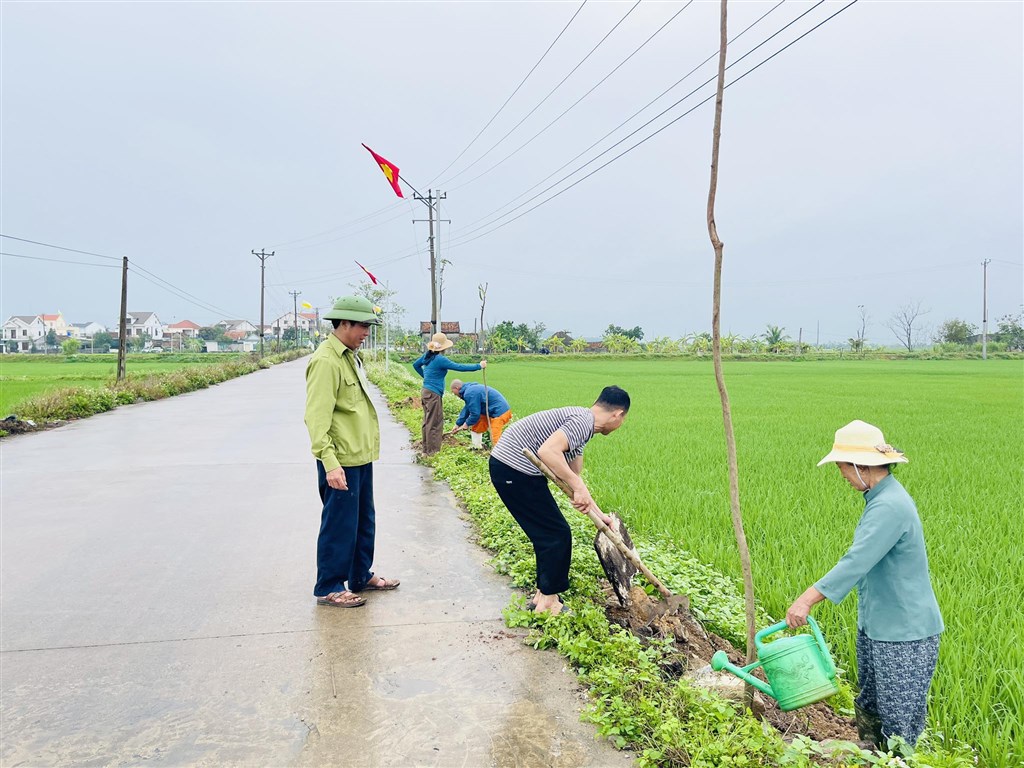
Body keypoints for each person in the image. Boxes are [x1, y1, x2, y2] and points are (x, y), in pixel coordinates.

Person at [785, 419, 943, 749]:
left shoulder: (890, 506)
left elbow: (856, 562)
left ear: (860, 465)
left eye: (842, 466)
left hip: (904, 632)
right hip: (877, 625)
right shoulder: (878, 499)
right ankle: (871, 754)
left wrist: (807, 600)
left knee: (898, 721)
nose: (841, 474)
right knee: (870, 703)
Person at [488, 386, 630, 615]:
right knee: (556, 535)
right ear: (617, 414)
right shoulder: (582, 422)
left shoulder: (583, 426)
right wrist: (578, 487)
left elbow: (573, 476)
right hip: (513, 469)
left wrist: (598, 512)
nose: (620, 425)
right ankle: (549, 604)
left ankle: (541, 596)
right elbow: (548, 452)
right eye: (623, 420)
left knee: (549, 534)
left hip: (513, 470)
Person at [304, 295, 400, 608]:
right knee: (339, 524)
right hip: (340, 459)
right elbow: (316, 419)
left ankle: (360, 574)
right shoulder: (326, 361)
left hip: (360, 455)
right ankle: (329, 585)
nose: (366, 333)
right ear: (343, 323)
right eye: (362, 326)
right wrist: (330, 464)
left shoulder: (349, 356)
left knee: (363, 520)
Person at [412, 332, 486, 454]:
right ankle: (432, 452)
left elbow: (415, 365)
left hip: (425, 392)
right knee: (435, 422)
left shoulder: (428, 356)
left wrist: (426, 378)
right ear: (443, 348)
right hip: (433, 394)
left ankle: (426, 450)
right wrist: (479, 366)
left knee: (427, 421)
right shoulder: (440, 359)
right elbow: (460, 367)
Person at [449, 378, 512, 447]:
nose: (454, 394)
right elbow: (467, 409)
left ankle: (499, 454)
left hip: (500, 412)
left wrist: (467, 424)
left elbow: (475, 414)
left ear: (457, 388)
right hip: (489, 411)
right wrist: (458, 424)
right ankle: (476, 447)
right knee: (478, 426)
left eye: (453, 391)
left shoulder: (469, 393)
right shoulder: (469, 390)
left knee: (495, 436)